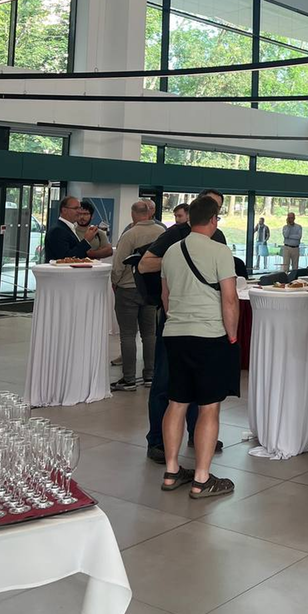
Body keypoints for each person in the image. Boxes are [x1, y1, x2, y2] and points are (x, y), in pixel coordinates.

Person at [138, 189, 228, 464]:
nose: (213, 214)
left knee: (200, 385)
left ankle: (196, 433)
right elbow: (144, 265)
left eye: (217, 208)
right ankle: (157, 440)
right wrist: (180, 261)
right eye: (210, 206)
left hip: (206, 323)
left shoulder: (219, 239)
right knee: (166, 383)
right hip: (175, 320)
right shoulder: (175, 234)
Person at [160, 195, 240, 499]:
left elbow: (166, 297)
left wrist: (179, 320)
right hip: (209, 335)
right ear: (214, 220)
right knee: (209, 406)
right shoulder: (220, 251)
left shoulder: (171, 251)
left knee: (176, 402)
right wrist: (232, 335)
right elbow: (229, 299)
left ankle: (171, 471)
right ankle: (202, 478)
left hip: (175, 334)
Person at [109, 200, 165, 392]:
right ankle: (150, 375)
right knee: (150, 334)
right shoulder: (161, 232)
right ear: (149, 213)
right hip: (151, 289)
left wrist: (115, 282)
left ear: (133, 214)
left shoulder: (130, 234)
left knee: (127, 334)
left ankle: (129, 379)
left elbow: (119, 264)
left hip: (128, 288)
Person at [44, 195, 98, 262]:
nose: (79, 212)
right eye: (76, 208)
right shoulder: (57, 230)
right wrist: (86, 240)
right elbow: (65, 259)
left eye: (80, 208)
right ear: (64, 210)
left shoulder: (67, 228)